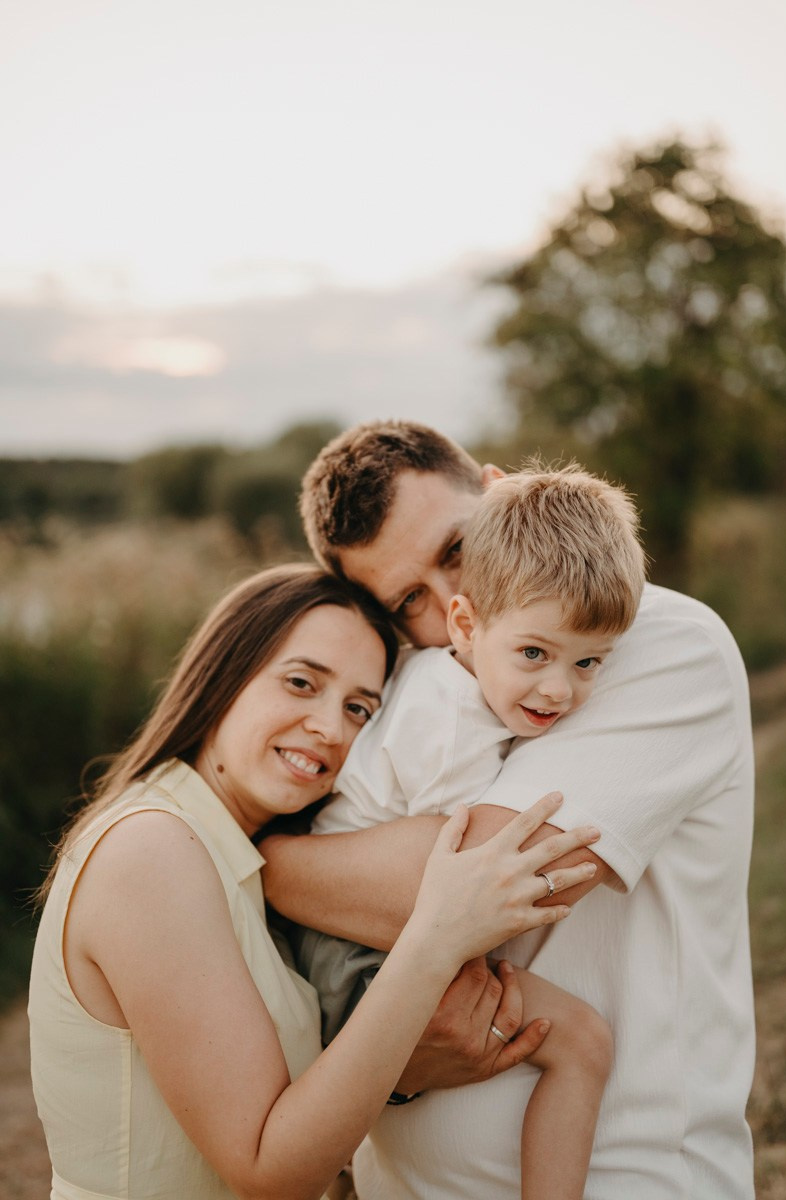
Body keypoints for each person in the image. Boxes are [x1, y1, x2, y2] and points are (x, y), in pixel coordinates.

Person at [262, 420, 756, 1200]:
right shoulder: (426, 682)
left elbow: (482, 881)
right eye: (409, 601)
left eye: (456, 549)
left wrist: (263, 863)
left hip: (626, 1178)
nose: (452, 606)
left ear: (500, 495)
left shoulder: (651, 641)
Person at [28, 563, 600, 1200]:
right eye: (301, 683)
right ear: (224, 674)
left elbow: (278, 1107)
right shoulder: (153, 849)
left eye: (359, 709)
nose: (331, 729)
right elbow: (269, 1171)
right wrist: (436, 939)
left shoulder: (244, 858)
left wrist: (406, 1070)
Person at [297, 463, 645, 1200]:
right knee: (581, 1043)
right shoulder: (450, 722)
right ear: (466, 625)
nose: (560, 689)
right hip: (352, 948)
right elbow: (467, 880)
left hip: (350, 931)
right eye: (535, 655)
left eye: (588, 663)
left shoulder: (462, 675)